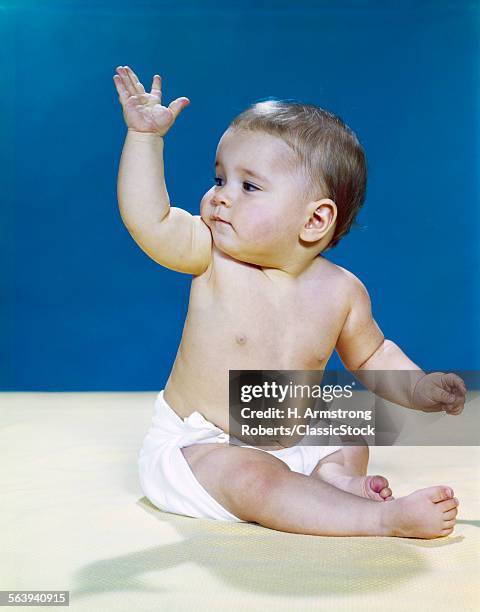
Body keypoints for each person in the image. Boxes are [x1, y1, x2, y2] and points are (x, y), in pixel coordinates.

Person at [113, 65, 466, 538]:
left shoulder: (341, 291)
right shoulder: (212, 255)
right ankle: (379, 518)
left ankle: (334, 480)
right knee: (256, 478)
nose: (219, 198)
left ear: (315, 220)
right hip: (203, 447)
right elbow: (148, 218)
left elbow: (373, 355)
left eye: (248, 186)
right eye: (219, 179)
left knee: (348, 421)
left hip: (291, 436)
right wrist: (143, 138)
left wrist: (419, 388)